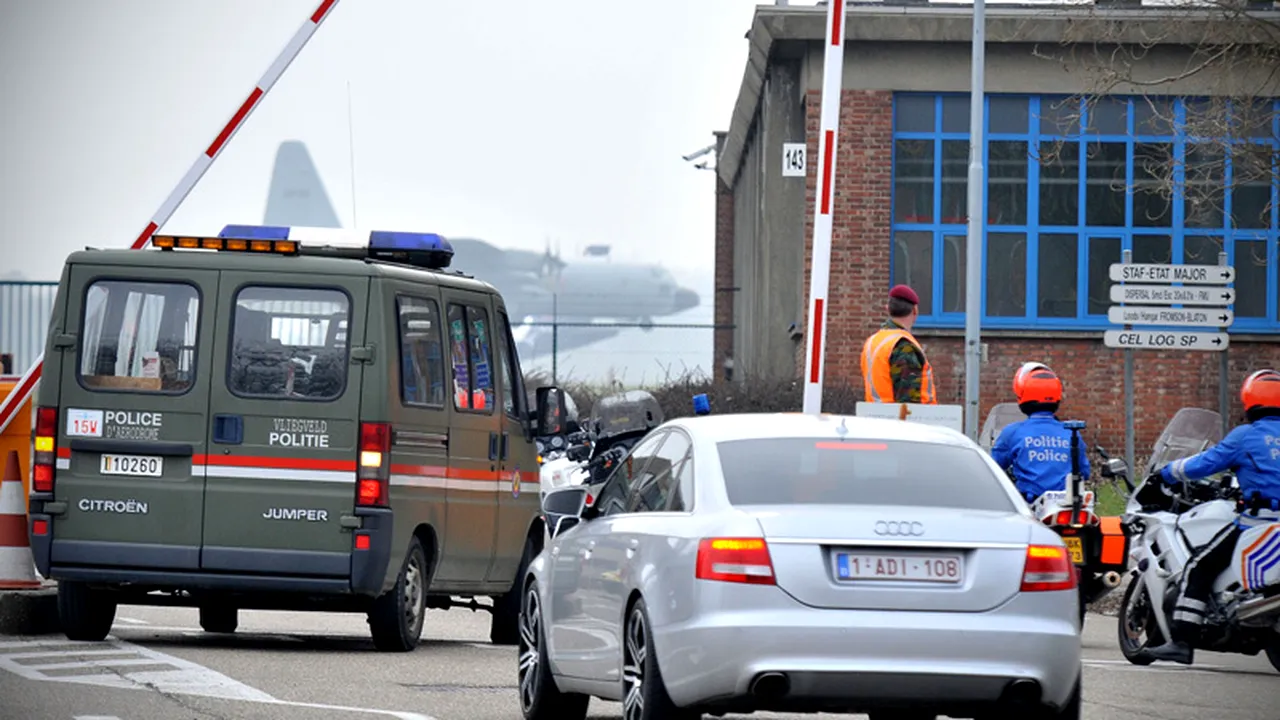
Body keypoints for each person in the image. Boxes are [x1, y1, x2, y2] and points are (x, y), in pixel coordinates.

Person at [1144, 368, 1280, 665]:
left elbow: (1206, 462)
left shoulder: (1246, 436)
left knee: (1199, 566)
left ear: (1249, 400)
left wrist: (1165, 473)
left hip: (1258, 523)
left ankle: (1182, 641)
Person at [990, 363, 1091, 503]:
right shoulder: (1071, 432)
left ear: (1022, 397)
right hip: (1067, 504)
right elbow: (1084, 472)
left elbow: (993, 469)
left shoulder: (1012, 432)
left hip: (1030, 505)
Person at [860, 284, 936, 404]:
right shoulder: (903, 346)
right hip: (899, 420)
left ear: (888, 309)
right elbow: (909, 403)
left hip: (874, 418)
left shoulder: (873, 341)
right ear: (915, 310)